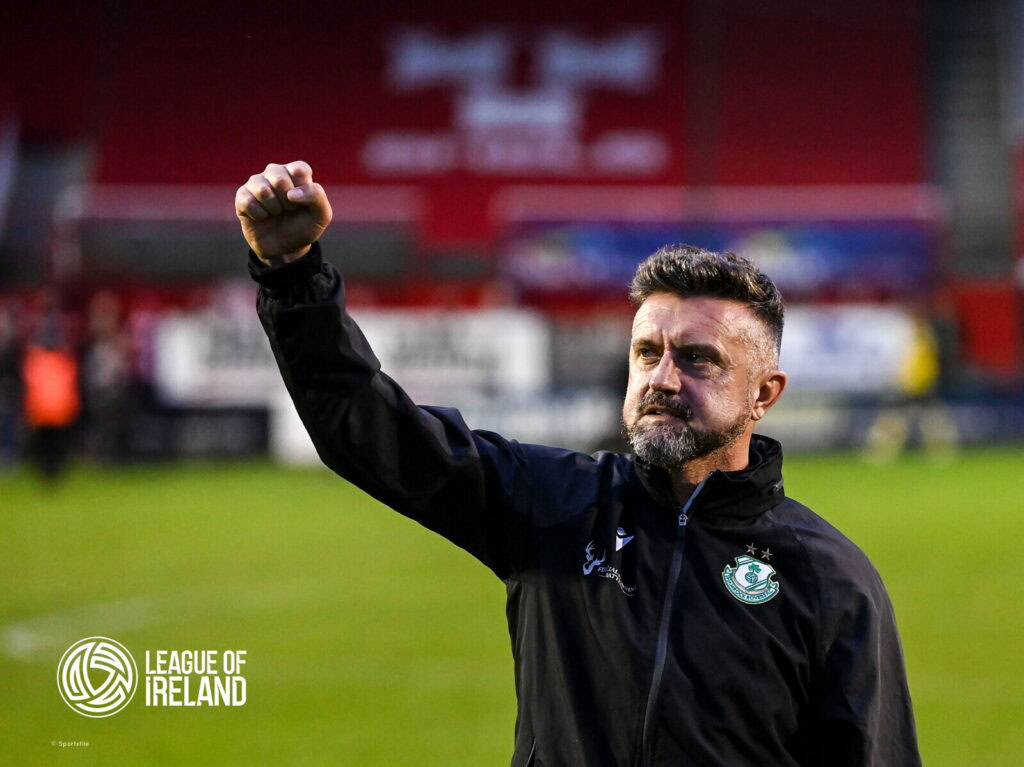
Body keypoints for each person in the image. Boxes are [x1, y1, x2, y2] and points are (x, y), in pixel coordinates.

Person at [238, 161, 921, 766]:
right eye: (647, 352)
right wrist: (294, 273)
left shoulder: (831, 578)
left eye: (698, 358)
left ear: (764, 393)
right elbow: (369, 429)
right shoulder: (554, 502)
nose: (662, 377)